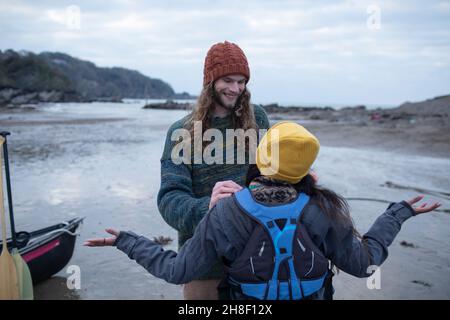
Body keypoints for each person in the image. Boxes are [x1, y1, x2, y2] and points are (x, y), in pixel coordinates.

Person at [85, 121, 441, 300]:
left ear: (261, 158)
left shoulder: (224, 212)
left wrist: (128, 241)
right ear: (307, 171)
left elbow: (177, 270)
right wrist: (397, 213)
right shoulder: (324, 207)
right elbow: (364, 263)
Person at [155, 41, 270, 299]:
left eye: (241, 81)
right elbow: (169, 200)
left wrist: (295, 183)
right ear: (210, 82)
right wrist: (208, 206)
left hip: (255, 257)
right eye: (227, 80)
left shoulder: (258, 119)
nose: (235, 89)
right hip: (204, 264)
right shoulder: (181, 132)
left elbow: (270, 175)